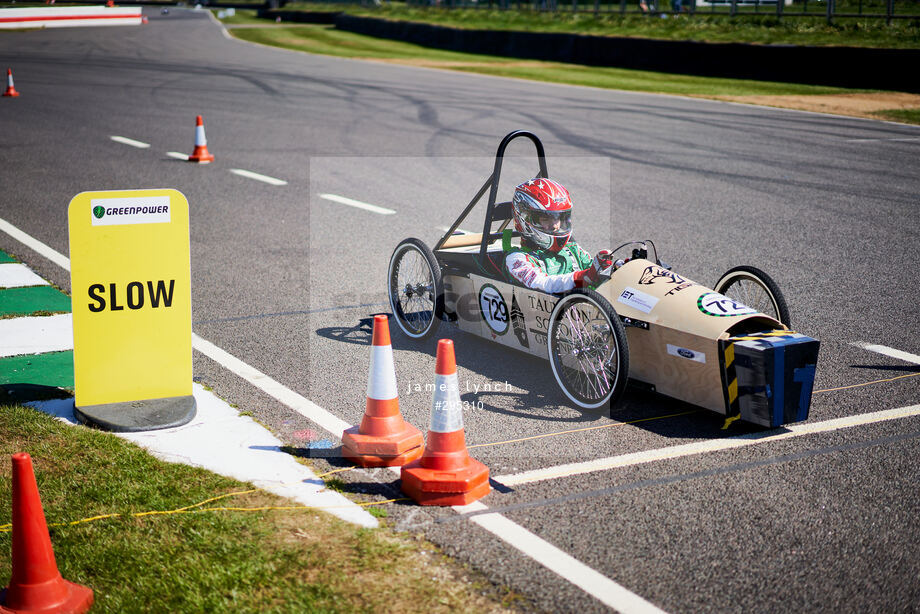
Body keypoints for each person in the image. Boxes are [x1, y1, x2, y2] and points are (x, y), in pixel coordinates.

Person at [504, 178, 614, 293]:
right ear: (525, 219)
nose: (555, 226)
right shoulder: (516, 259)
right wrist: (583, 278)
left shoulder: (571, 248)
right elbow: (543, 284)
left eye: (558, 218)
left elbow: (594, 270)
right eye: (546, 219)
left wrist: (614, 268)